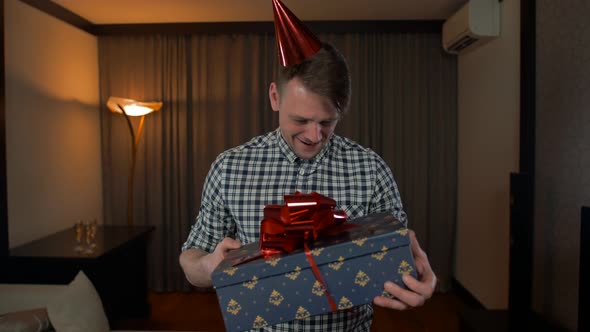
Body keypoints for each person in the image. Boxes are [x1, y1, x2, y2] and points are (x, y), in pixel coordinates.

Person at [180, 1, 436, 330]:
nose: (315, 136)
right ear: (275, 97)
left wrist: (417, 280)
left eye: (327, 122)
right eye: (300, 120)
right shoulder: (229, 167)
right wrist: (208, 266)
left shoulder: (371, 169)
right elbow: (191, 257)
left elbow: (399, 258)